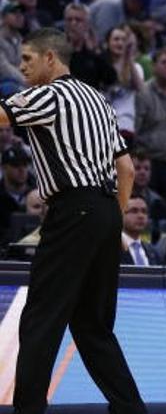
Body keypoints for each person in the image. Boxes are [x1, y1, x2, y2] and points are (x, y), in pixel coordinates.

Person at [0, 28, 146, 413]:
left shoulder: (47, 95)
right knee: (93, 327)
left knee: (41, 319)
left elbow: (2, 116)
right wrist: (110, 220)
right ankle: (131, 409)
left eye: (28, 59)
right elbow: (127, 169)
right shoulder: (99, 100)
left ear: (51, 58)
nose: (21, 67)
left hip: (73, 209)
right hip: (106, 212)